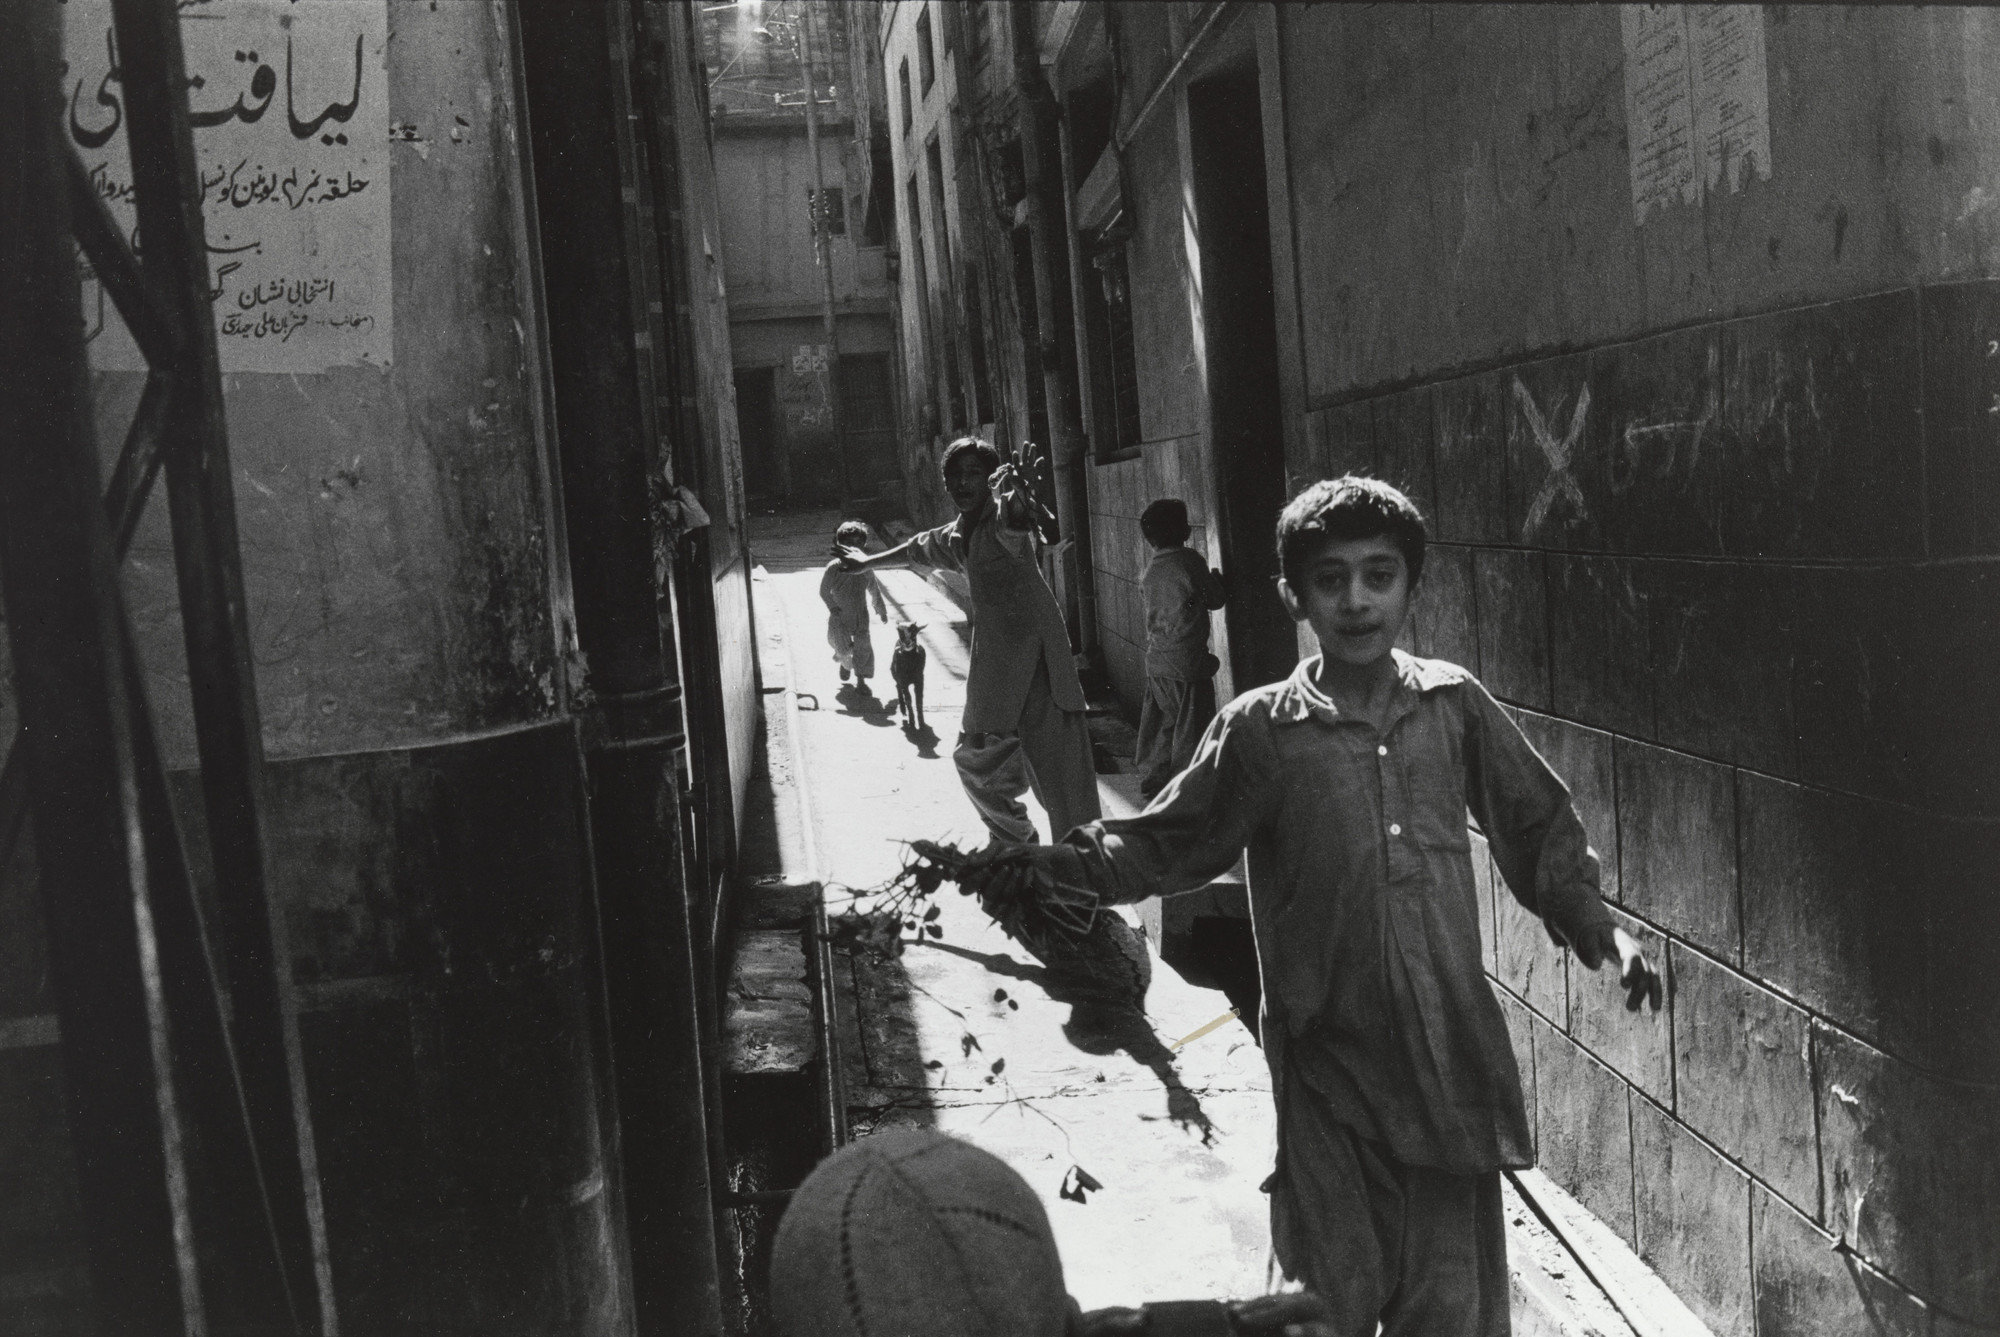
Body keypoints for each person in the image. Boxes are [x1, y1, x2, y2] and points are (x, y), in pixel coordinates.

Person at [964, 476, 1663, 1337]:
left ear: (1412, 585)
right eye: (1331, 579)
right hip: (1329, 1076)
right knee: (1320, 1311)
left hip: (1448, 1070)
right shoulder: (1263, 731)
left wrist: (1601, 929)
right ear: (1294, 595)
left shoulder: (1453, 707)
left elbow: (1537, 826)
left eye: (1379, 575)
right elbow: (1167, 840)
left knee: (1452, 1313)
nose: (1357, 600)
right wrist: (1056, 867)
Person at [838, 438, 1100, 845]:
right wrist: (866, 563)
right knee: (976, 764)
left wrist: (1020, 496)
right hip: (997, 667)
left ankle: (1086, 873)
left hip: (1042, 666)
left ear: (990, 480)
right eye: (955, 476)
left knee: (1066, 788)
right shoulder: (958, 534)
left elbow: (1015, 520)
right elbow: (917, 549)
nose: (963, 483)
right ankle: (1016, 845)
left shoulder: (1001, 523)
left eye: (974, 474)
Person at [1135, 498, 1227, 800]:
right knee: (1192, 730)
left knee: (1164, 727)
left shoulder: (1151, 569)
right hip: (1187, 663)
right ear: (1184, 530)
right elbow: (1215, 599)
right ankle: (1187, 790)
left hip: (1157, 662)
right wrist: (1217, 579)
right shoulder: (1189, 561)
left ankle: (1154, 781)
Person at [820, 519, 888, 693]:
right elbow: (824, 591)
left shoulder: (866, 567)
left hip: (861, 615)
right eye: (848, 543)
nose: (854, 546)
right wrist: (833, 608)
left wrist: (881, 609)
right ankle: (844, 662)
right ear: (840, 544)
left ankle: (861, 681)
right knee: (842, 648)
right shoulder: (834, 568)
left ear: (864, 544)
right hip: (840, 616)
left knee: (863, 648)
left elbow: (874, 589)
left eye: (858, 542)